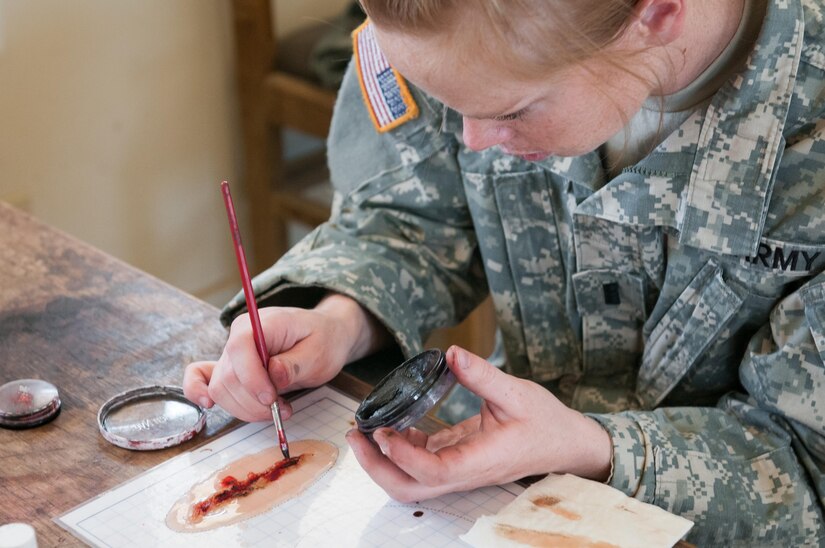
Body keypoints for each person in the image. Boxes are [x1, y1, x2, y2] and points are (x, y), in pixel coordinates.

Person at [183, 0, 825, 544]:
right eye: (447, 103)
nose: (471, 141)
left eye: (512, 111)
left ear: (657, 14)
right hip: (468, 490)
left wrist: (588, 448)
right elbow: (414, 214)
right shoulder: (456, 26)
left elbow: (808, 473)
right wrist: (341, 317)